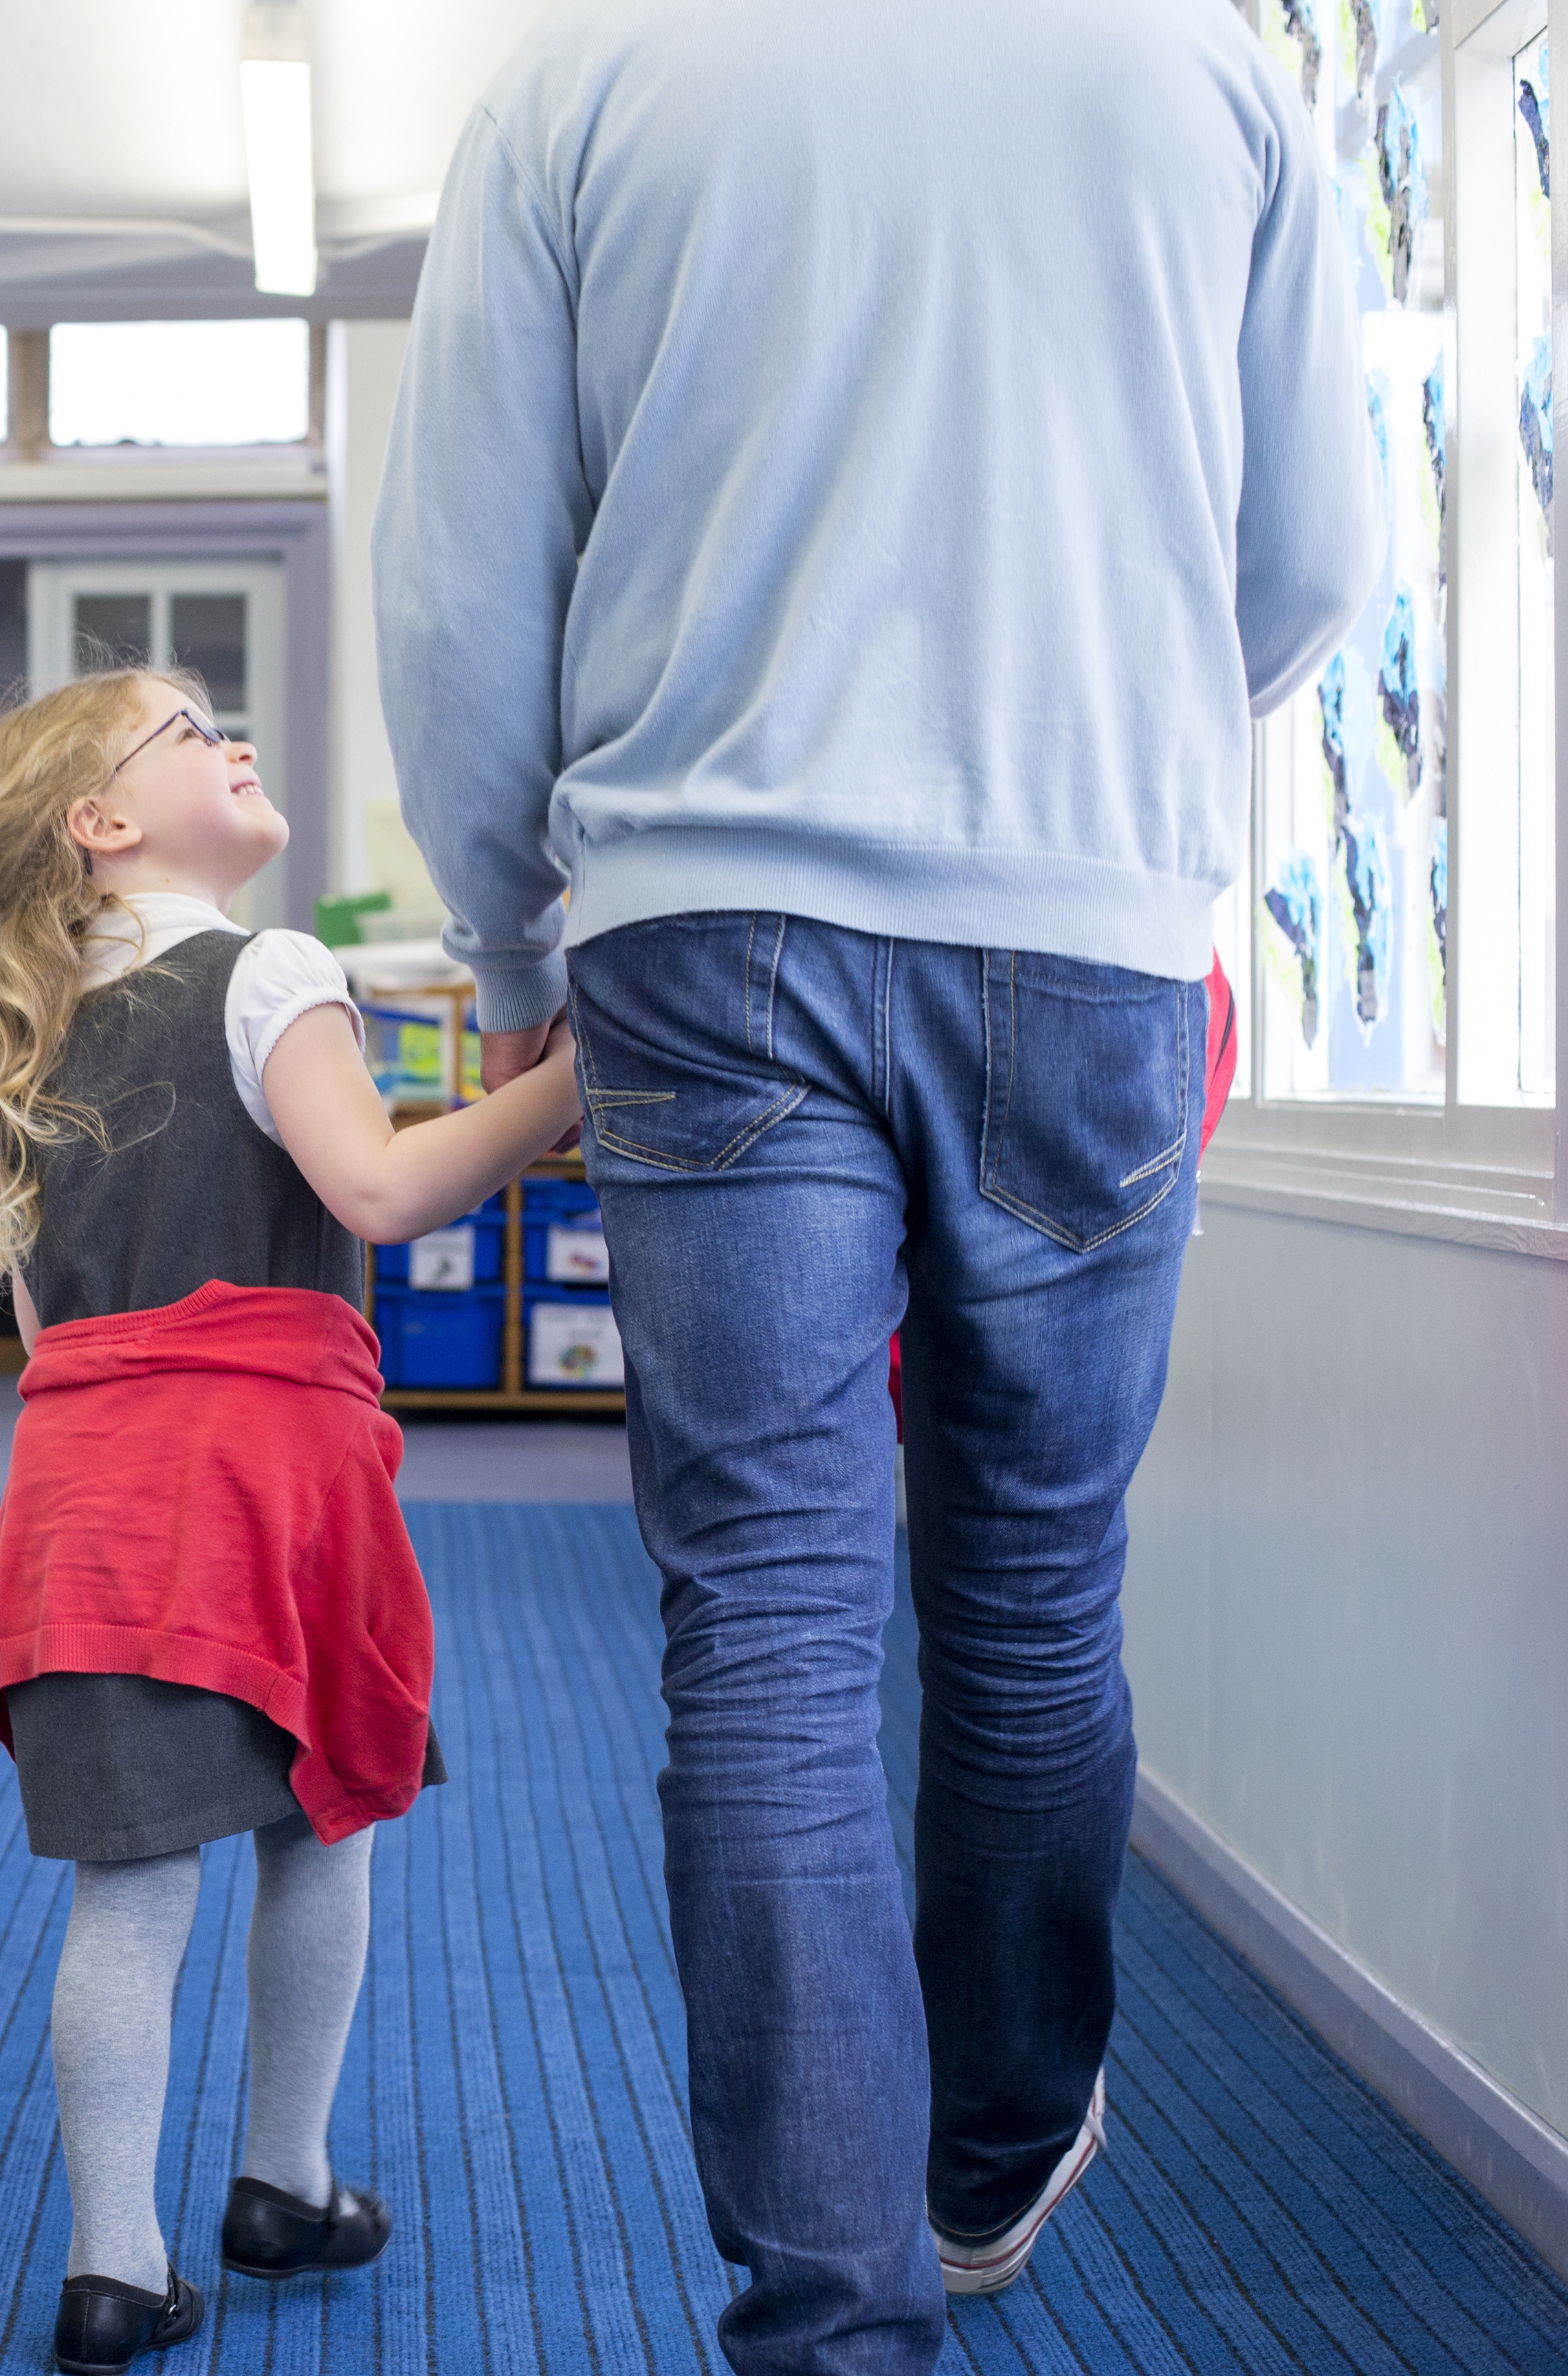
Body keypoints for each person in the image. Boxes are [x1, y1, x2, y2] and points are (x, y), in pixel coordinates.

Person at [372, 3, 1380, 2370]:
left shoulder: (583, 72)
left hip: (702, 927)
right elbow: (1314, 556)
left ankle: (827, 2323)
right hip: (1086, 924)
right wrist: (1095, 755)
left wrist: (507, 942)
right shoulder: (1215, 66)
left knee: (772, 1625)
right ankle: (988, 2153)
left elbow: (455, 588)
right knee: (1030, 1595)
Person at [0, 669, 584, 2374]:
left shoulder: (20, 1033)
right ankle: (283, 2180)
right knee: (320, 1819)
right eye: (188, 726)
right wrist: (581, 1078)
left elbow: (55, 1320)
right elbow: (380, 1190)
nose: (232, 737)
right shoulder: (269, 969)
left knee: (127, 1886)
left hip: (87, 1496)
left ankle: (113, 2267)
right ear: (106, 821)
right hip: (265, 1480)